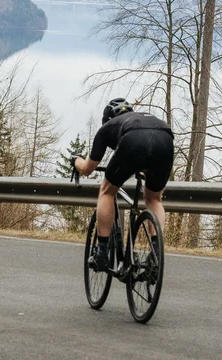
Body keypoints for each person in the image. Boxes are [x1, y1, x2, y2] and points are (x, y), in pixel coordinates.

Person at [72, 98, 174, 271]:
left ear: (107, 118)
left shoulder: (107, 128)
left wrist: (76, 160)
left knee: (107, 191)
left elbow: (87, 168)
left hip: (133, 140)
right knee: (154, 199)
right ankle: (156, 254)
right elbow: (149, 142)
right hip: (165, 138)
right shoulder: (145, 117)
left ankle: (102, 253)